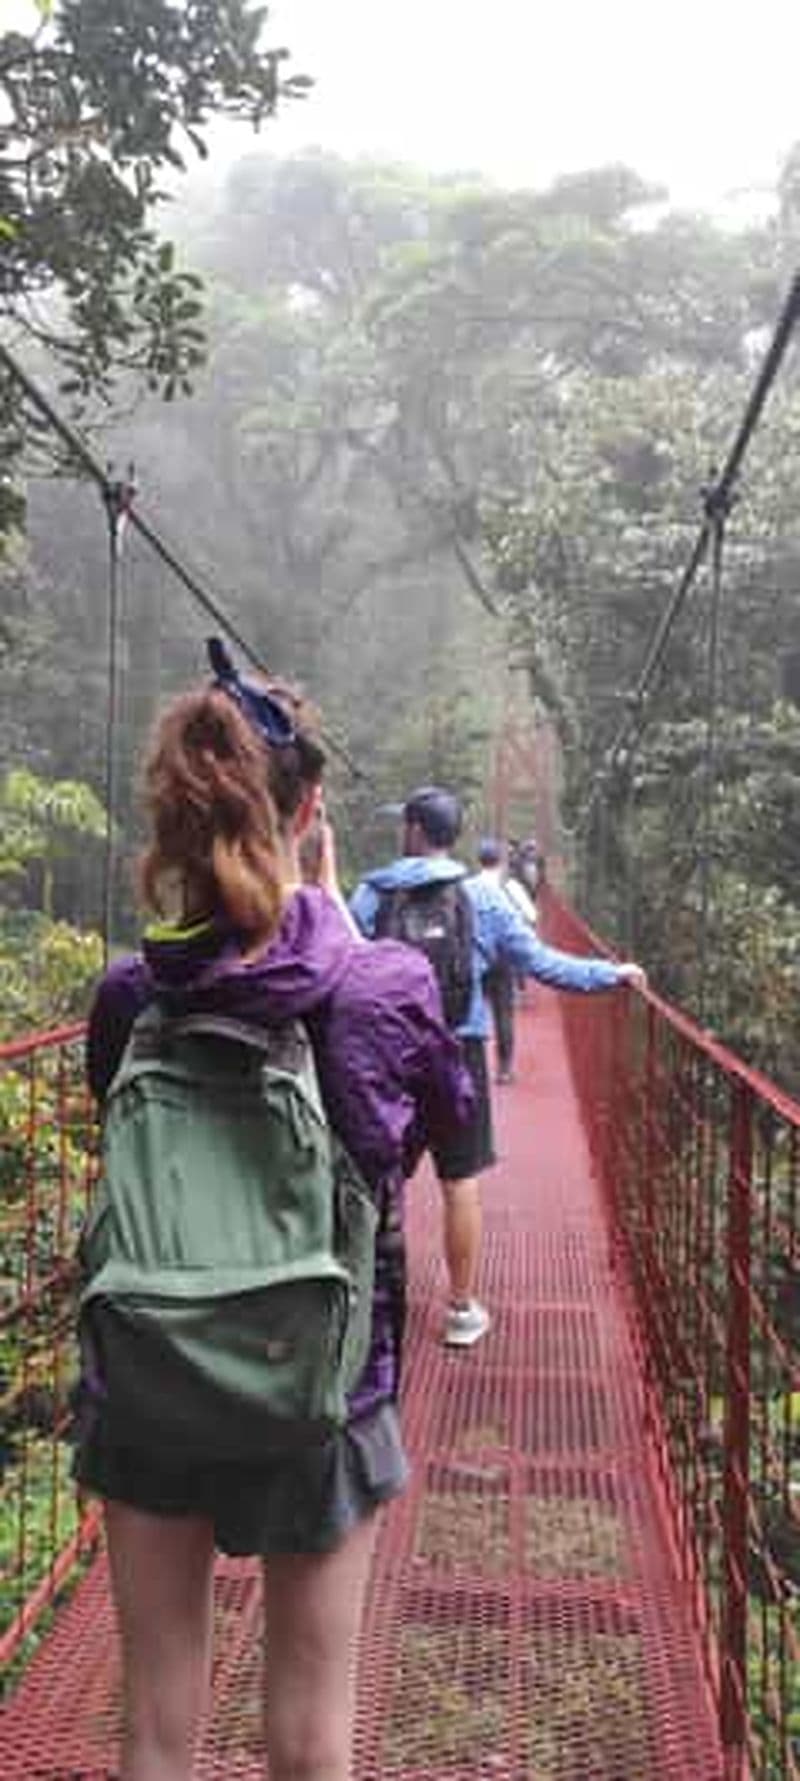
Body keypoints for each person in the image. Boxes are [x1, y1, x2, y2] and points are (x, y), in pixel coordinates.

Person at [73, 647, 473, 1781]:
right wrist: (331, 921)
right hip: (323, 1387)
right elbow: (421, 1138)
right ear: (307, 815)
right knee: (307, 1736)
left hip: (146, 1374)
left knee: (155, 1731)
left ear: (176, 820)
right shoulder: (383, 983)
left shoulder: (126, 992)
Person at [351, 785, 645, 1351]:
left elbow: (339, 957)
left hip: (388, 1054)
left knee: (378, 1178)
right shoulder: (482, 898)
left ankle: (369, 1300)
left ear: (413, 829)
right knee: (460, 1181)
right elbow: (539, 962)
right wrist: (611, 974)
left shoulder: (374, 891)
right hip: (457, 1053)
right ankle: (461, 1311)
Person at [473, 837, 517, 1084]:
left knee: (475, 1011)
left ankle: (474, 1068)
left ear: (479, 860)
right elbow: (533, 916)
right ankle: (504, 1068)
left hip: (479, 957)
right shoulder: (509, 886)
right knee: (504, 1014)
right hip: (504, 959)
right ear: (500, 862)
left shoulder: (468, 886)